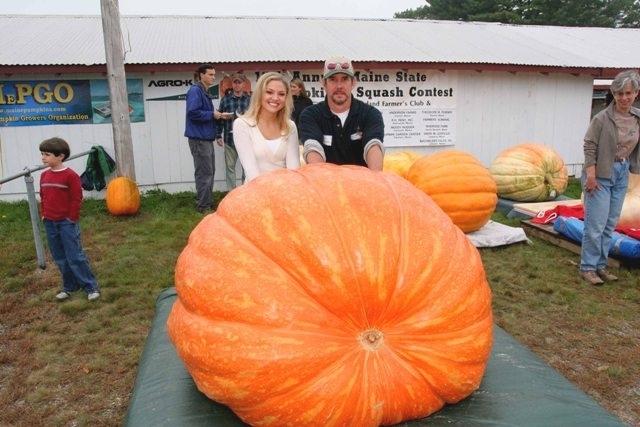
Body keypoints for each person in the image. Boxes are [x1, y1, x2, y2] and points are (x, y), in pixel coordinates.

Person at [580, 70, 640, 285]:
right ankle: (588, 267)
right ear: (613, 94)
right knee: (595, 225)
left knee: (609, 224)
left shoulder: (637, 117)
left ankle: (601, 265)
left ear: (636, 93)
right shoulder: (602, 118)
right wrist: (591, 175)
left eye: (628, 93)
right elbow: (589, 145)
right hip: (600, 173)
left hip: (622, 172)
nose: (624, 98)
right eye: (619, 93)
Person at [39, 137, 101, 301]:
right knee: (59, 257)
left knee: (75, 256)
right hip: (50, 223)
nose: (43, 157)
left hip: (66, 223)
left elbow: (76, 198)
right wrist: (44, 214)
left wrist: (71, 218)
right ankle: (70, 286)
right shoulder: (44, 176)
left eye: (47, 154)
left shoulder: (70, 176)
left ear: (61, 156)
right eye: (42, 154)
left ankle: (90, 287)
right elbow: (43, 197)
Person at [299, 56, 384, 170]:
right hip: (326, 179)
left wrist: (376, 177)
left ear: (353, 82)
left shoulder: (371, 114)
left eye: (344, 79)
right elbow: (312, 148)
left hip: (362, 180)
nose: (339, 86)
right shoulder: (310, 115)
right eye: (332, 79)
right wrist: (325, 179)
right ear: (324, 83)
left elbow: (373, 145)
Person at [232, 72, 300, 182]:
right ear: (259, 94)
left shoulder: (290, 126)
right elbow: (251, 173)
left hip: (286, 190)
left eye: (281, 94)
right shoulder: (242, 125)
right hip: (255, 190)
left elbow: (294, 171)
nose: (275, 98)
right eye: (269, 92)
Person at [185, 63, 220, 213]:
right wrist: (212, 114)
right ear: (201, 75)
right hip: (199, 139)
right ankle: (203, 206)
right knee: (204, 173)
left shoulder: (204, 91)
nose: (213, 77)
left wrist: (216, 115)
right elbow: (192, 113)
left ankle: (206, 202)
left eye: (214, 74)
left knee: (209, 171)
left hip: (205, 138)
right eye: (210, 74)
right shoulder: (195, 91)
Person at [216, 73, 251, 190]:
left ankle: (246, 192)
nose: (237, 85)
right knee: (230, 168)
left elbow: (255, 119)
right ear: (232, 84)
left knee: (247, 168)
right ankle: (231, 193)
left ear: (244, 84)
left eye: (239, 82)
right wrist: (218, 135)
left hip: (246, 140)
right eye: (235, 82)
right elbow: (219, 118)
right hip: (229, 140)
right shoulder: (225, 100)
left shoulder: (250, 100)